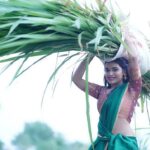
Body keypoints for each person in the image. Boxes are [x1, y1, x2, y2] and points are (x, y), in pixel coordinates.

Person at [72, 33, 142, 149]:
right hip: (101, 143)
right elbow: (76, 79)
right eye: (107, 70)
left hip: (123, 144)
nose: (110, 73)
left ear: (124, 72)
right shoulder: (100, 91)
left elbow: (133, 58)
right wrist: (91, 53)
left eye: (115, 69)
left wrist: (125, 33)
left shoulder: (132, 89)